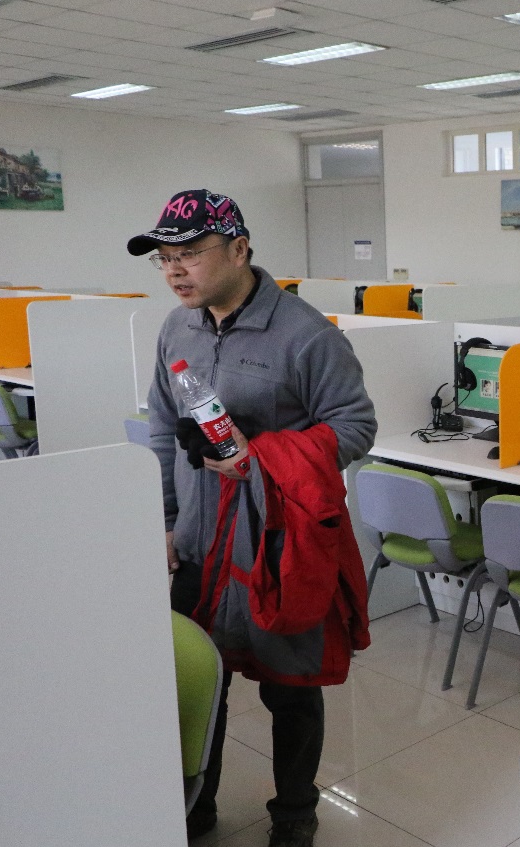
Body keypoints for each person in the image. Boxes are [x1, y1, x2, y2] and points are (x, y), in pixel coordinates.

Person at [131, 189, 377, 847]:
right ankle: (195, 801)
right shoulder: (175, 328)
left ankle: (295, 812)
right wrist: (166, 520)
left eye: (190, 254)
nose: (174, 270)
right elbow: (163, 428)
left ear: (239, 249)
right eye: (164, 258)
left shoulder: (306, 334)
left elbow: (355, 427)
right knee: (197, 678)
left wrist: (260, 453)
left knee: (289, 689)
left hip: (277, 541)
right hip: (197, 540)